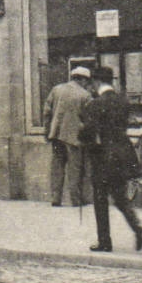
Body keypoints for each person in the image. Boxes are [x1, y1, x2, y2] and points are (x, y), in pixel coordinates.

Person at [80, 65, 142, 253]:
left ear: (97, 82)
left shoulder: (95, 104)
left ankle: (104, 241)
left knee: (100, 200)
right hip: (122, 156)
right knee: (120, 198)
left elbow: (88, 132)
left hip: (102, 158)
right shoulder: (122, 102)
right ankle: (137, 227)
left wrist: (82, 135)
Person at [43, 65, 93, 208]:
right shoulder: (85, 95)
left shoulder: (56, 89)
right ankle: (76, 200)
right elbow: (88, 119)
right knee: (74, 169)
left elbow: (47, 113)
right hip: (74, 138)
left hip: (56, 135)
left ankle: (55, 198)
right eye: (86, 81)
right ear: (83, 80)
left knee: (57, 167)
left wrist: (47, 132)